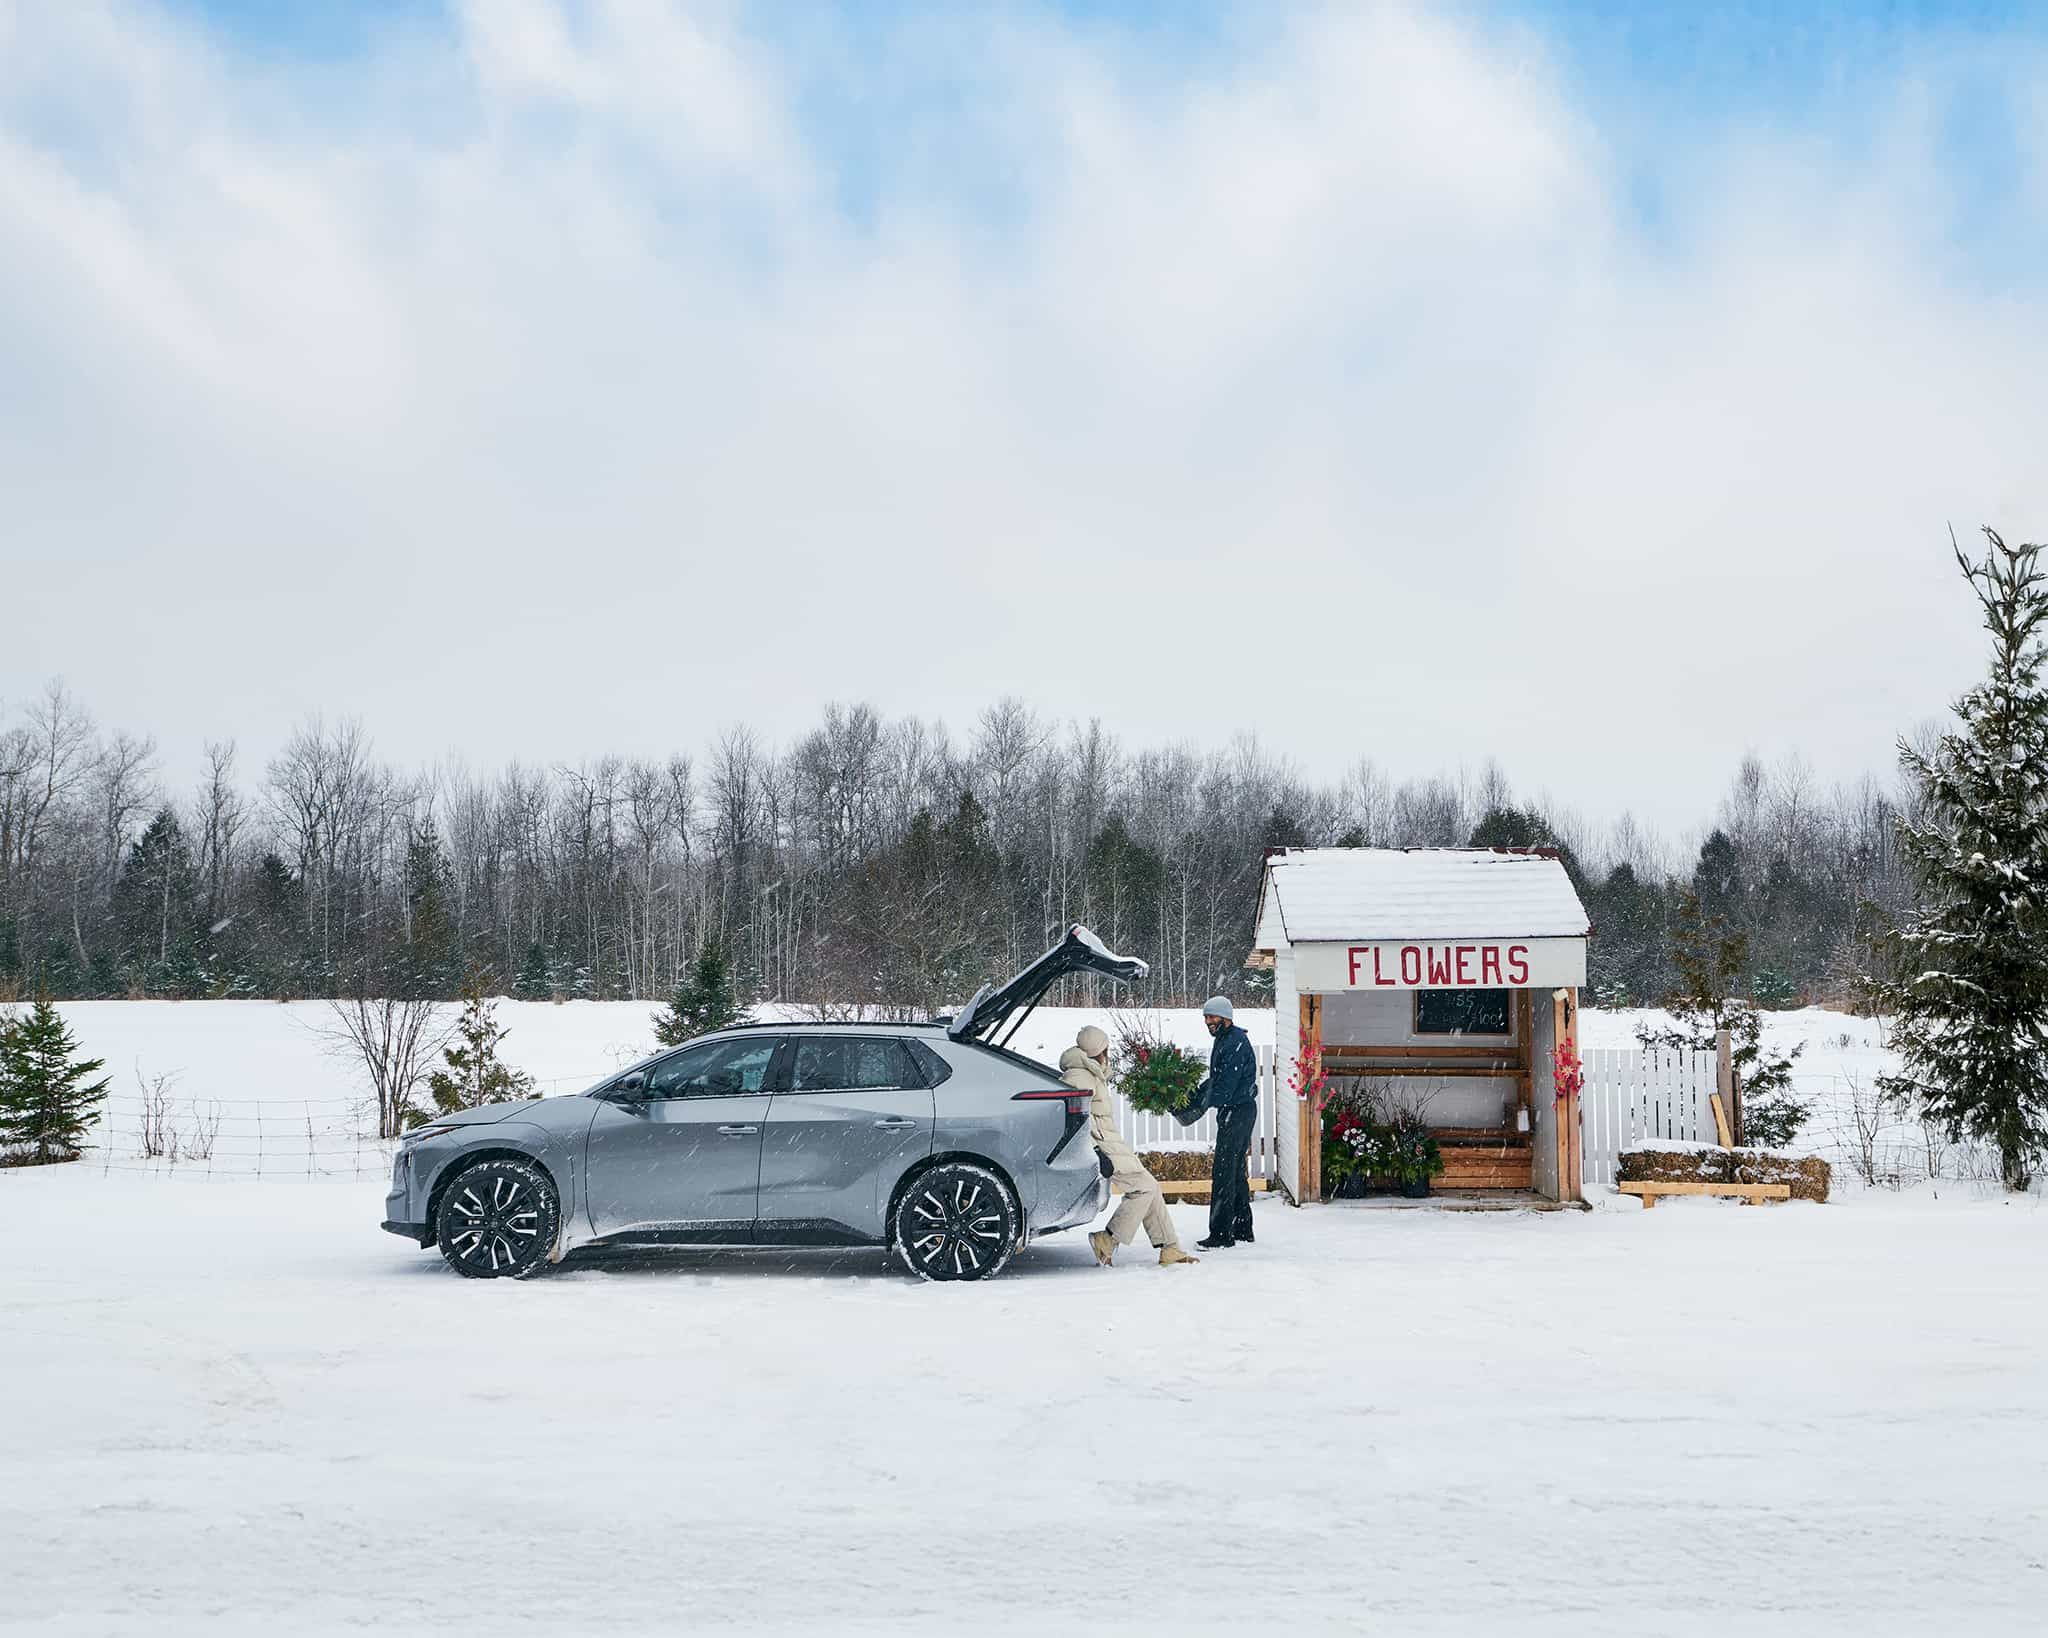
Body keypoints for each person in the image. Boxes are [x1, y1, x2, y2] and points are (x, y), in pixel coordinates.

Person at [1060, 1026, 1198, 1268]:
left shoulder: (1090, 1072)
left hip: (1111, 1143)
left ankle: (1170, 1248)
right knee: (1144, 1188)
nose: (1108, 1053)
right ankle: (1107, 1239)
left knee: (1150, 1186)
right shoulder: (1078, 1077)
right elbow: (1077, 1120)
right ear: (1099, 1051)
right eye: (1106, 1048)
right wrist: (1096, 1151)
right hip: (1103, 1146)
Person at [1196, 997, 1258, 1249]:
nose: (1208, 1022)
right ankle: (1243, 1228)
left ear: (1226, 1018)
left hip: (1238, 1111)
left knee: (1223, 1172)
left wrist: (1197, 1100)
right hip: (1237, 1110)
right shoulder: (1226, 1039)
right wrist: (1199, 1091)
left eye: (1212, 1017)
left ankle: (1221, 1235)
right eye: (1206, 1018)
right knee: (1234, 1170)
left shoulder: (1234, 1043)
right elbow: (1218, 1081)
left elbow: (1225, 1088)